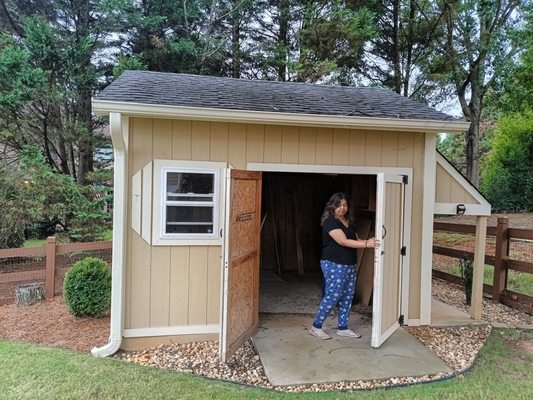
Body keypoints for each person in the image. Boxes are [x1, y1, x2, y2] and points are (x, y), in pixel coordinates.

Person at [309, 192, 380, 340]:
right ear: (332, 207)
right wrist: (367, 244)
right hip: (334, 264)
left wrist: (368, 241)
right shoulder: (330, 222)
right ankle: (316, 326)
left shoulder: (349, 222)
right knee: (333, 296)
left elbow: (354, 239)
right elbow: (343, 241)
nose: (342, 208)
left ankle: (343, 327)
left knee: (347, 296)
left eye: (344, 205)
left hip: (349, 264)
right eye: (338, 205)